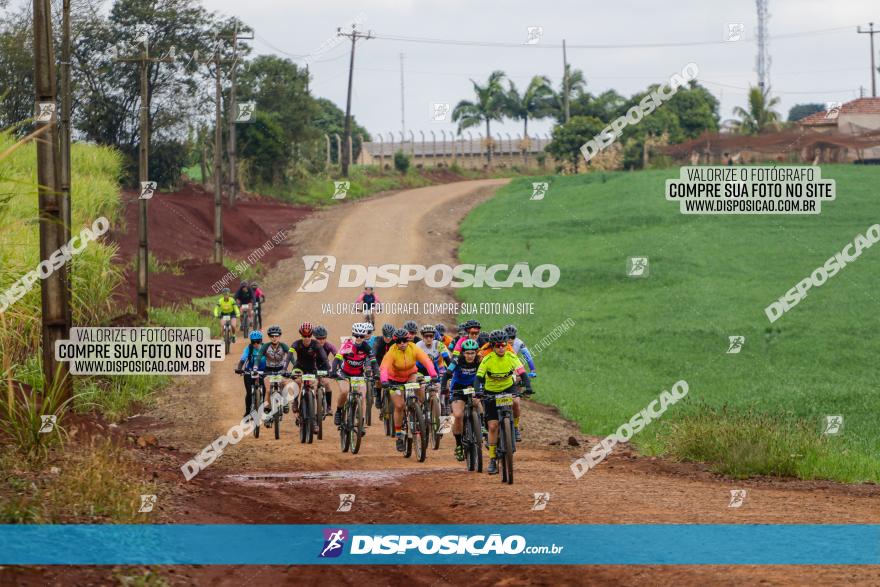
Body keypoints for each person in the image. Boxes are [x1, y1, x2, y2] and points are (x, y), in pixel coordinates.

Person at [477, 330, 532, 475]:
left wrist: (529, 387)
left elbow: (522, 372)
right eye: (498, 346)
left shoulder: (511, 356)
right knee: (493, 426)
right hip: (491, 392)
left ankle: (513, 427)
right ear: (493, 347)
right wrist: (478, 391)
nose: (501, 348)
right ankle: (493, 459)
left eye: (503, 345)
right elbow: (478, 378)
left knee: (515, 402)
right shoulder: (487, 359)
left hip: (508, 387)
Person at [379, 328, 437, 452]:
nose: (402, 343)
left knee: (421, 392)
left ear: (408, 340)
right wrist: (384, 381)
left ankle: (419, 414)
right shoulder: (392, 352)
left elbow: (426, 361)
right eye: (398, 342)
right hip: (394, 379)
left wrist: (433, 374)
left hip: (411, 375)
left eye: (404, 340)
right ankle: (399, 435)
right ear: (395, 343)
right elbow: (384, 367)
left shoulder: (413, 348)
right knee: (399, 406)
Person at [332, 323, 379, 428]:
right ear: (352, 335)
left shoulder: (366, 347)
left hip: (358, 374)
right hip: (344, 373)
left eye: (361, 336)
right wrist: (333, 371)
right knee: (344, 391)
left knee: (362, 395)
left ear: (364, 337)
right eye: (356, 335)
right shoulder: (347, 344)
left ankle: (361, 422)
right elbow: (336, 359)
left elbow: (374, 362)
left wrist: (376, 373)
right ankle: (339, 411)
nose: (358, 338)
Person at [442, 338, 482, 461]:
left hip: (473, 387)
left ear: (476, 353)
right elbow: (447, 374)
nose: (470, 356)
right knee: (458, 415)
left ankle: (482, 426)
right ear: (463, 353)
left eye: (472, 353)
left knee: (479, 404)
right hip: (458, 389)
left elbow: (485, 375)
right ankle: (459, 444)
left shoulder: (480, 361)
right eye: (467, 353)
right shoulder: (456, 360)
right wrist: (444, 387)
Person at [291, 322, 331, 432]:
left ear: (311, 335)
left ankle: (313, 421)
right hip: (299, 367)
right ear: (301, 335)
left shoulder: (316, 344)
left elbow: (324, 358)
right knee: (298, 382)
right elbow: (288, 357)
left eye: (309, 336)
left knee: (314, 386)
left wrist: (329, 370)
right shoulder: (296, 344)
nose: (307, 338)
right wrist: (285, 369)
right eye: (304, 336)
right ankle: (295, 401)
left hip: (312, 369)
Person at [253, 325, 294, 415]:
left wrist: (296, 367)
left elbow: (291, 357)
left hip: (281, 371)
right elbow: (258, 357)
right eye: (272, 336)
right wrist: (255, 367)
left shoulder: (284, 346)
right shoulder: (265, 346)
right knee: (268, 390)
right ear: (269, 337)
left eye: (276, 336)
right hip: (268, 371)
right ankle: (267, 407)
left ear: (279, 336)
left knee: (286, 384)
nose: (274, 338)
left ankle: (285, 402)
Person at [235, 330, 267, 417]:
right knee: (249, 392)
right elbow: (242, 360)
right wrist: (239, 368)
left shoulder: (266, 348)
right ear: (251, 342)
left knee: (264, 389)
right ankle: (247, 412)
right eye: (253, 342)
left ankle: (262, 407)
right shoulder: (249, 348)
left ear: (261, 341)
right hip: (249, 371)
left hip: (262, 371)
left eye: (258, 341)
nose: (256, 344)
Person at [370, 323, 396, 409]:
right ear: (383, 334)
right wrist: (375, 369)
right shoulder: (378, 340)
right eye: (386, 336)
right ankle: (378, 396)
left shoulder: (395, 342)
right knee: (378, 379)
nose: (388, 338)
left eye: (390, 336)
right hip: (379, 362)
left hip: (391, 363)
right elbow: (373, 353)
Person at [314, 325, 337, 409]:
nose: (321, 340)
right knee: (313, 385)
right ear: (314, 338)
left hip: (324, 366)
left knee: (327, 383)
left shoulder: (328, 345)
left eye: (323, 338)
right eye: (319, 338)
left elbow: (337, 355)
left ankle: (329, 407)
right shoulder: (311, 345)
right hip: (313, 366)